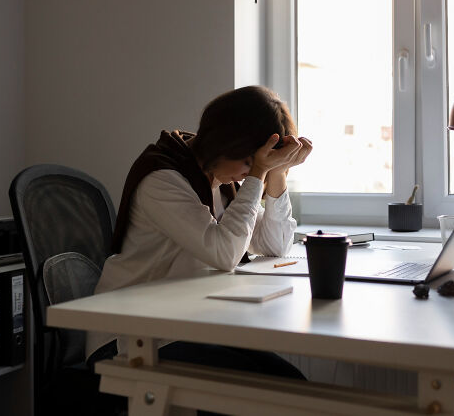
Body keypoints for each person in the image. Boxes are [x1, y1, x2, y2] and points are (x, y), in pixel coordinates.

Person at [86, 85, 312, 380]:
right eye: (248, 161)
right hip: (128, 337)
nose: (249, 173)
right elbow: (224, 254)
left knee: (291, 382)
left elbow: (275, 244)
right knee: (274, 390)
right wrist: (258, 175)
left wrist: (277, 172)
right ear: (225, 142)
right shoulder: (162, 178)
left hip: (181, 326)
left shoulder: (222, 182)